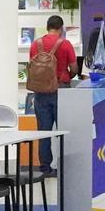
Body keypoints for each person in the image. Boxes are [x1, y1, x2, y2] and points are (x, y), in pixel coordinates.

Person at [28, 14, 79, 173]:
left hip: (40, 92)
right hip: (60, 90)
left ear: (47, 26)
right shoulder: (65, 44)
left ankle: (45, 167)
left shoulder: (35, 44)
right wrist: (67, 77)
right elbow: (74, 68)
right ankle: (64, 166)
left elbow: (33, 67)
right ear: (61, 28)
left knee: (44, 131)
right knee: (64, 131)